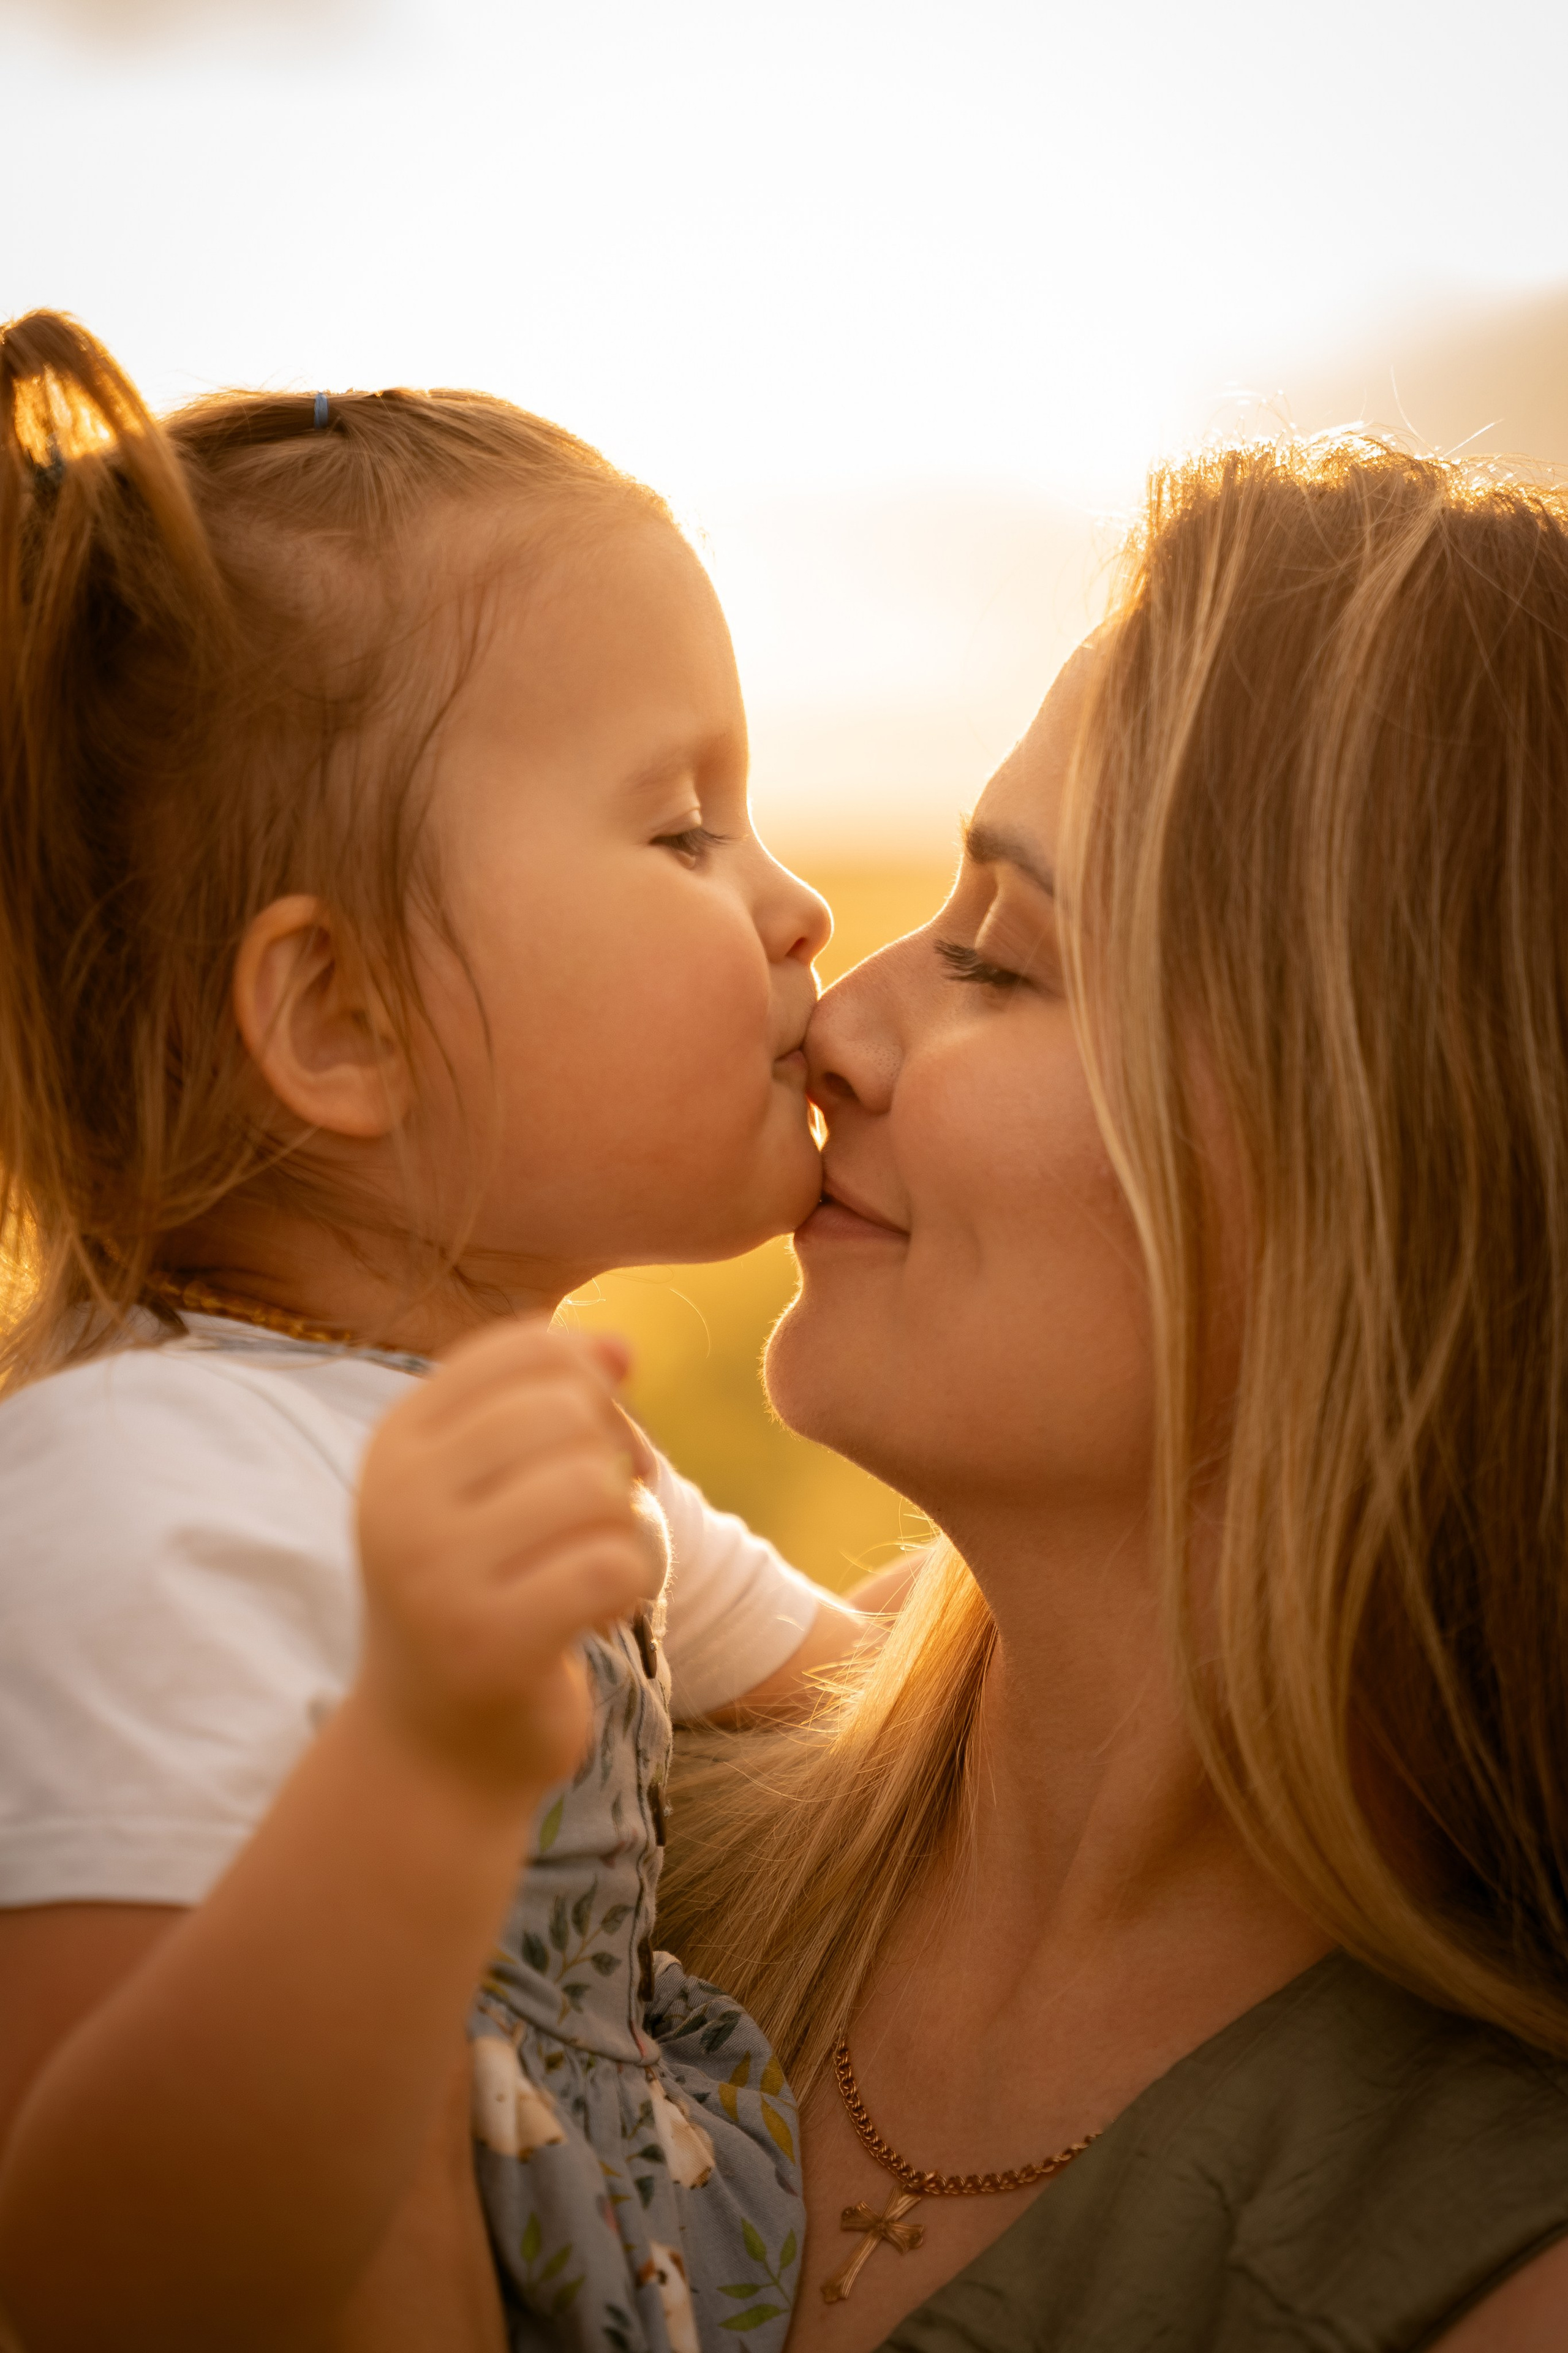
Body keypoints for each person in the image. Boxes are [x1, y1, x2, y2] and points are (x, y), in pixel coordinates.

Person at [0, 311, 878, 2353]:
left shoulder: (530, 1444)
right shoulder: (146, 1495)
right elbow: (102, 2271)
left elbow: (890, 1711)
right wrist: (415, 1760)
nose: (796, 905)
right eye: (681, 829)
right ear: (341, 1023)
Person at [660, 437, 1568, 2351]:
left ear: (1375, 1176)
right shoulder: (596, 1805)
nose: (836, 1025)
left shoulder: (1491, 2269)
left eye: (1000, 958)